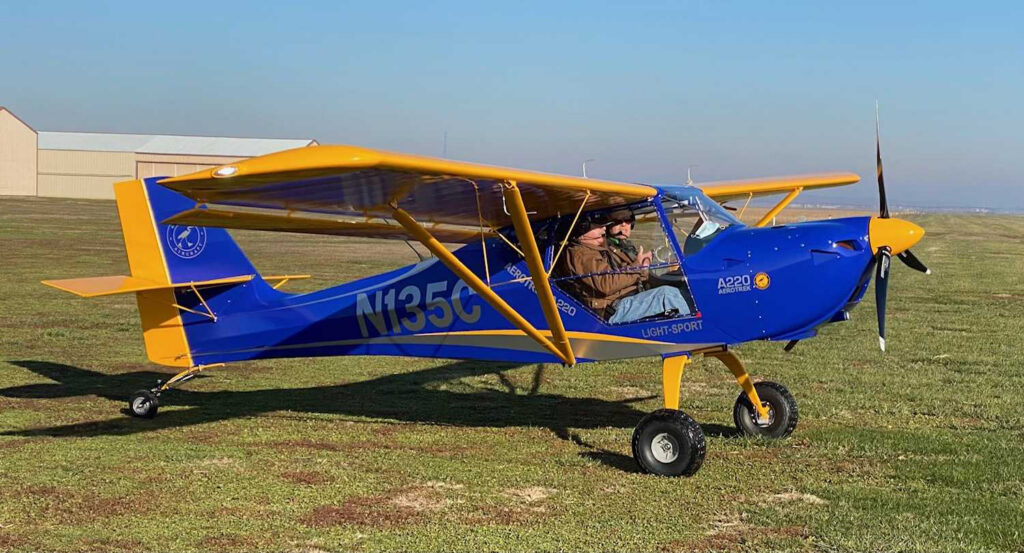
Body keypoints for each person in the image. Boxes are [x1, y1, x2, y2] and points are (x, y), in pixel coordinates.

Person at [555, 214, 691, 324]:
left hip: (625, 300)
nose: (604, 229)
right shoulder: (581, 254)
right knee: (668, 295)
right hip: (609, 310)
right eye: (598, 225)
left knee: (685, 291)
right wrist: (636, 267)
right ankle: (693, 335)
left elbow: (627, 275)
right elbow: (606, 284)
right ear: (582, 229)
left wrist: (642, 269)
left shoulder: (604, 248)